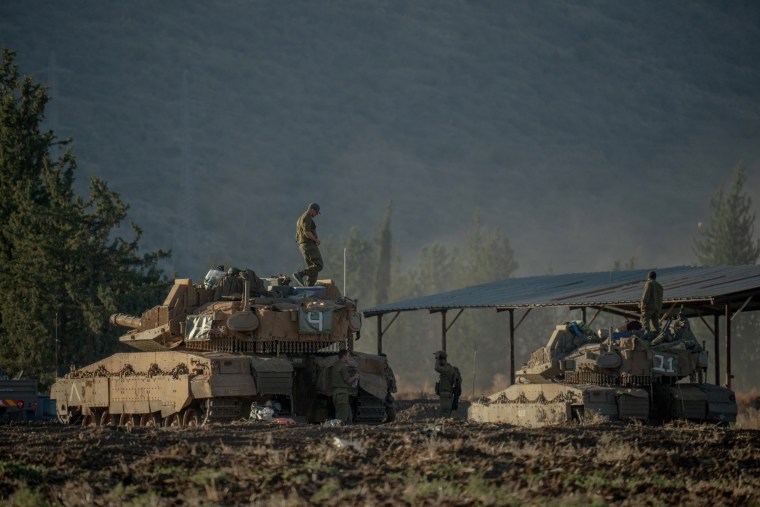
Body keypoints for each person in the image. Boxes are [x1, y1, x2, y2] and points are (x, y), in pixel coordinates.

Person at [292, 202, 323, 287]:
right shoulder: (307, 218)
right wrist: (316, 240)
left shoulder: (300, 219)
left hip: (303, 246)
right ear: (312, 209)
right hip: (309, 245)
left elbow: (298, 235)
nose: (316, 214)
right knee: (319, 265)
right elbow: (307, 233)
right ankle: (300, 274)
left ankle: (309, 288)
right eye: (316, 212)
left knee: (313, 269)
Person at [331, 349, 358, 424]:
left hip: (339, 394)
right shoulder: (342, 366)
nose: (348, 357)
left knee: (349, 416)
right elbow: (348, 380)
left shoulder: (336, 364)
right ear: (344, 356)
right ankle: (337, 433)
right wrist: (355, 377)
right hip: (341, 394)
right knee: (341, 418)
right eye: (348, 356)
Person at [433, 350, 457, 418]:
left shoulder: (447, 369)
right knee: (444, 415)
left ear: (443, 360)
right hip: (445, 394)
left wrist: (437, 357)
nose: (438, 362)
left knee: (444, 415)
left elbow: (436, 368)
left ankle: (444, 427)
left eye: (439, 360)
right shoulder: (447, 368)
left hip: (446, 395)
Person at [379, 353, 397, 422]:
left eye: (386, 360)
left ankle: (386, 422)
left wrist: (393, 387)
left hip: (386, 392)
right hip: (376, 392)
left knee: (392, 415)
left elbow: (393, 379)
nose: (385, 361)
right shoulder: (374, 369)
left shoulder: (388, 369)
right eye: (383, 360)